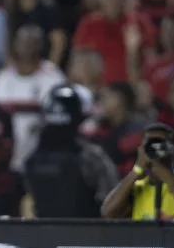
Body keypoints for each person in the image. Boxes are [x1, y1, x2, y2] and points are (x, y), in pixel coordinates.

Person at [25, 83, 119, 218]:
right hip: (83, 234)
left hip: (46, 234)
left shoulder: (32, 157)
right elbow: (112, 200)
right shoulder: (90, 156)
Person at [100, 123, 174, 221]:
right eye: (150, 143)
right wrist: (136, 170)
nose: (156, 148)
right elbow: (108, 213)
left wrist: (169, 178)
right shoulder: (137, 186)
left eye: (162, 144)